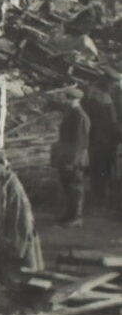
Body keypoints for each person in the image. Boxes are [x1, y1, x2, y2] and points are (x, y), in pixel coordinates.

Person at [0, 155, 44, 286]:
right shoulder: (1, 181)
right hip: (9, 228)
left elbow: (19, 212)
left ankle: (30, 286)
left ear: (6, 166)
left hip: (19, 227)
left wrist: (14, 237)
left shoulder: (13, 185)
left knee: (24, 260)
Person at [51, 88, 90, 227]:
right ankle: (69, 215)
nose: (66, 101)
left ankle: (76, 217)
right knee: (67, 186)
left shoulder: (79, 116)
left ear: (75, 100)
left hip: (74, 158)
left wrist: (71, 161)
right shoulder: (71, 114)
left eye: (68, 98)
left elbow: (79, 142)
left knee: (75, 187)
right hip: (67, 156)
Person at [81, 77, 119, 199]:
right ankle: (104, 190)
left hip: (99, 141)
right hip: (107, 140)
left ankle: (100, 193)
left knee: (99, 166)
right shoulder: (108, 103)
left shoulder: (97, 105)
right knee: (105, 166)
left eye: (95, 92)